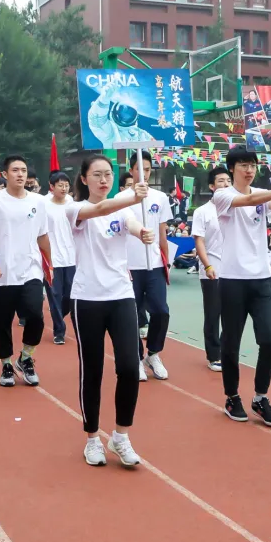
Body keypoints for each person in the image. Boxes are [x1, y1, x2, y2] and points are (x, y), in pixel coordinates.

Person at [66, 155, 153, 467]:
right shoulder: (76, 210)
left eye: (108, 175)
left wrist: (141, 231)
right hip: (87, 298)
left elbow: (129, 222)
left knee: (130, 367)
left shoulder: (124, 206)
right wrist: (133, 195)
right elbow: (102, 209)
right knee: (92, 370)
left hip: (120, 296)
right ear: (85, 178)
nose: (104, 180)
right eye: (97, 175)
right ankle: (92, 438)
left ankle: (120, 436)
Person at [212, 147, 271, 427]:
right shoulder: (223, 195)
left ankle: (260, 397)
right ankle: (232, 396)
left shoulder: (262, 193)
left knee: (269, 340)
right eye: (243, 165)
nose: (249, 170)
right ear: (231, 169)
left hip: (262, 278)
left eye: (252, 165)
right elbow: (251, 199)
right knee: (231, 343)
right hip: (232, 279)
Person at [0, 155, 52, 388]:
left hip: (30, 268)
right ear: (4, 174)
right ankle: (6, 365)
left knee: (35, 315)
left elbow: (42, 235)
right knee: (2, 321)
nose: (20, 174)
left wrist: (50, 264)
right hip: (1, 271)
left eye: (23, 170)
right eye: (15, 170)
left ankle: (26, 357)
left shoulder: (38, 202)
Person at [126, 152, 171, 382]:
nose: (144, 173)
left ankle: (153, 354)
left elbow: (162, 231)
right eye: (139, 169)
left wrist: (165, 259)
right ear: (131, 170)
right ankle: (136, 357)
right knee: (131, 315)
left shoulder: (160, 197)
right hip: (129, 267)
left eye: (148, 169)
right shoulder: (121, 198)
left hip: (153, 264)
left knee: (161, 311)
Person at [192, 166, 230, 372]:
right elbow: (199, 241)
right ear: (212, 186)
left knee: (232, 314)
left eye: (228, 181)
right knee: (213, 313)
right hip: (212, 269)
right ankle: (214, 355)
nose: (225, 184)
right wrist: (207, 265)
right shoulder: (202, 212)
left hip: (233, 270)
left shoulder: (235, 207)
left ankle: (227, 351)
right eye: (221, 181)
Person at [44, 171, 76, 345]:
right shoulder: (44, 205)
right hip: (52, 258)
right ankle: (59, 330)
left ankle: (58, 314)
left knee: (70, 295)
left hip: (71, 257)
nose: (64, 188)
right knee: (54, 294)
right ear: (52, 187)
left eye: (66, 185)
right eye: (60, 185)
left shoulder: (72, 204)